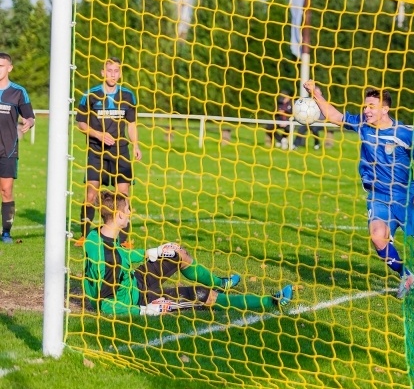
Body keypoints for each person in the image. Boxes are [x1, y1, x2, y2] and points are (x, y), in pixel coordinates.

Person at [303, 79, 414, 301]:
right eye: (365, 106)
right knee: (378, 237)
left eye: (371, 107)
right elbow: (335, 116)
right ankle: (405, 275)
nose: (366, 110)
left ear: (385, 109)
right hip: (378, 197)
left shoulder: (406, 133)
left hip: (406, 195)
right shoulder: (362, 125)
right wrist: (315, 94)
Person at [83, 191, 293, 316]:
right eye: (128, 209)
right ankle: (271, 302)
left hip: (134, 281)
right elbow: (106, 306)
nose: (131, 212)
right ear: (119, 215)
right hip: (139, 300)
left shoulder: (97, 235)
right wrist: (145, 311)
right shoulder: (109, 261)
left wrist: (152, 252)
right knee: (201, 295)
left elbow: (123, 256)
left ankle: (220, 282)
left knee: (175, 252)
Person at [74, 58, 141, 247]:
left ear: (120, 73)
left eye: (116, 71)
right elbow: (81, 123)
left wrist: (135, 145)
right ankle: (85, 236)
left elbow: (132, 124)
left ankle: (123, 239)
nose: (113, 74)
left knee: (123, 194)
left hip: (120, 152)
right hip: (96, 151)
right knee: (91, 194)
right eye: (109, 70)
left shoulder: (128, 96)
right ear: (103, 73)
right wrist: (98, 134)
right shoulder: (91, 95)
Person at [0, 53, 35, 244]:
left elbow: (30, 116)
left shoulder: (18, 92)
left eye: (1, 65)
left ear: (9, 68)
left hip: (8, 148)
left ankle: (6, 233)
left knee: (6, 191)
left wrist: (28, 122)